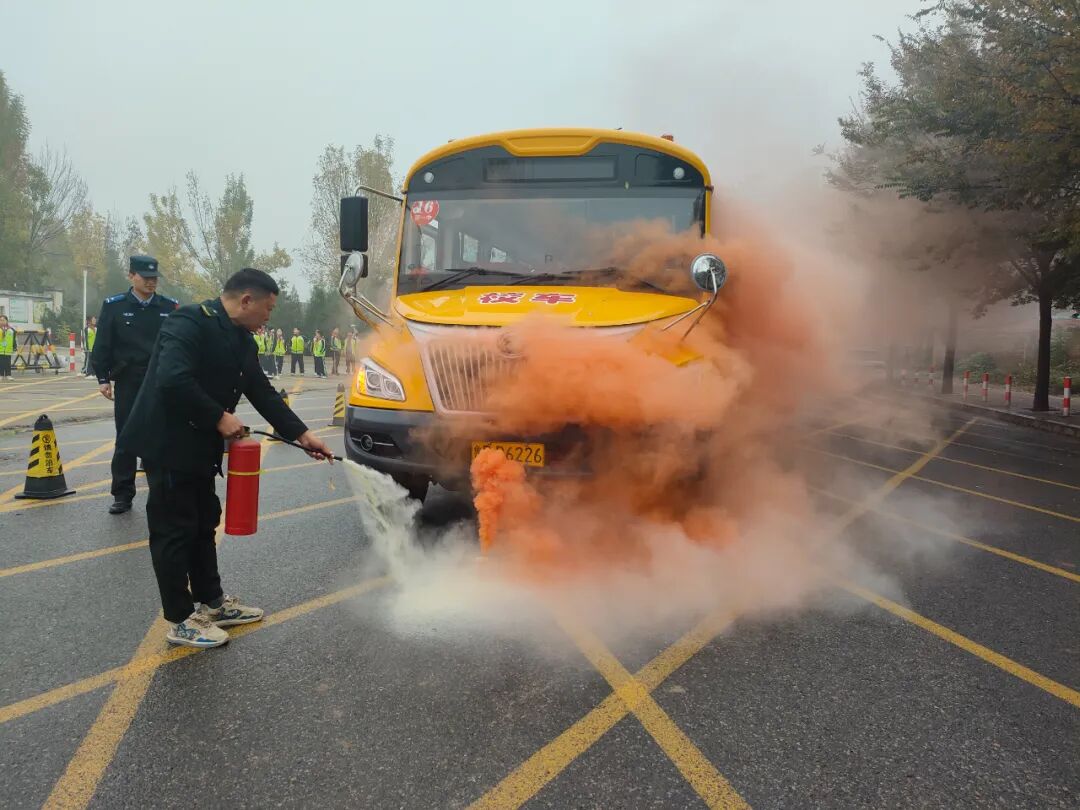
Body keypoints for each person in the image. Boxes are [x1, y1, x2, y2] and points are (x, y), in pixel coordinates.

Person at [118, 268, 334, 648]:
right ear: (246, 300)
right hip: (167, 443)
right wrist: (219, 417)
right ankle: (181, 619)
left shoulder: (242, 340)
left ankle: (213, 603)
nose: (270, 317)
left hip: (199, 444)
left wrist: (302, 435)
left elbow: (263, 393)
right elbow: (172, 379)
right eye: (267, 309)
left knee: (204, 523)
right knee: (174, 530)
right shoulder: (188, 322)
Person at [91, 255, 179, 514]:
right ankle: (122, 493)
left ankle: (161, 491)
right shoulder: (115, 306)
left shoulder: (169, 307)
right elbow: (103, 344)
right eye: (145, 277)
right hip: (129, 380)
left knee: (159, 435)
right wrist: (103, 378)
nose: (151, 282)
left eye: (154, 278)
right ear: (131, 276)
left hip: (160, 381)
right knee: (127, 437)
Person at [0, 315, 15, 381]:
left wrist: (15, 347)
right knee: (1, 363)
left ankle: (8, 375)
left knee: (8, 363)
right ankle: (0, 375)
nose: (2, 321)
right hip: (0, 349)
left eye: (3, 320)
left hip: (8, 350)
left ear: (7, 321)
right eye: (0, 320)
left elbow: (14, 339)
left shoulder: (11, 330)